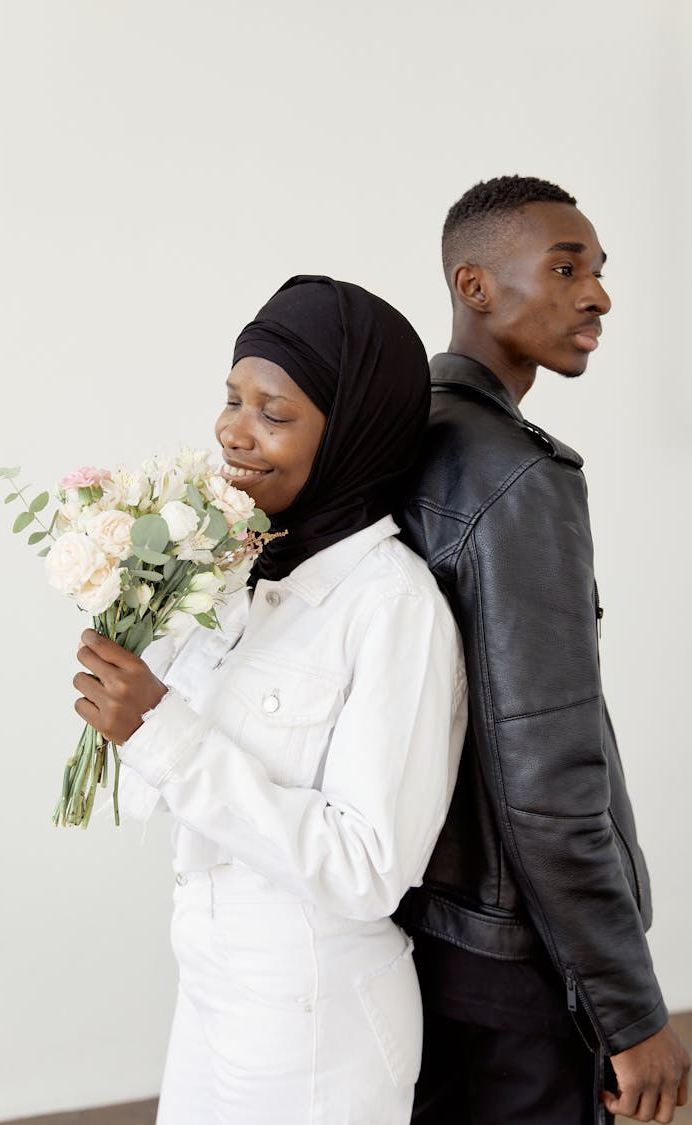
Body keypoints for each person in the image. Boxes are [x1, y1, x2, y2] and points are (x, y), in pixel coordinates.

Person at [72, 275, 468, 1125]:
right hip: (211, 996)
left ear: (355, 431)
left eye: (272, 413)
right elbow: (155, 786)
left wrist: (161, 729)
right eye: (231, 399)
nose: (231, 430)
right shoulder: (231, 575)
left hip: (316, 1027)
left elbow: (367, 867)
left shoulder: (390, 608)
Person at [398, 175, 690, 1125]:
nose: (597, 294)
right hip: (518, 963)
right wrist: (631, 1009)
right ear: (473, 285)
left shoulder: (400, 439)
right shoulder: (518, 475)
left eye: (600, 271)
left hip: (422, 933)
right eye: (565, 267)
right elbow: (549, 775)